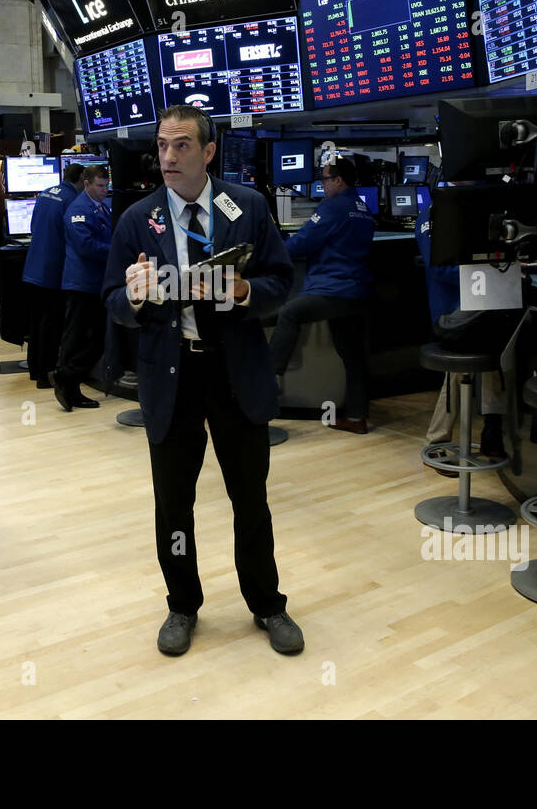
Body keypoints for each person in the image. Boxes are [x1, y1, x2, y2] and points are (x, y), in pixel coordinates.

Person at [103, 104, 301, 657]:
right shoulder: (136, 219)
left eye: (182, 145)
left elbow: (282, 281)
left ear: (209, 152)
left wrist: (245, 293)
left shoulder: (249, 207)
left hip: (235, 370)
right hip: (173, 374)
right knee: (174, 503)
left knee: (250, 497)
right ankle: (182, 605)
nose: (168, 157)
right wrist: (135, 297)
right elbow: (112, 304)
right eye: (162, 145)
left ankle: (268, 604)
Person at [268, 156, 375, 433]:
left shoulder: (332, 208)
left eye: (325, 179)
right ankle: (356, 417)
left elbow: (300, 244)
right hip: (357, 292)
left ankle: (268, 383)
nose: (322, 185)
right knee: (353, 357)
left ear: (338, 181)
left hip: (332, 289)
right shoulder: (363, 208)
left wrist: (272, 247)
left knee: (290, 313)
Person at [413, 189, 510, 472]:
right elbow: (441, 268)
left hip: (482, 310)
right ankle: (437, 441)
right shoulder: (432, 216)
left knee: (500, 356)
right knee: (459, 371)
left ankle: (492, 431)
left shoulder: (473, 209)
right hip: (452, 315)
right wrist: (494, 273)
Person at [51, 165, 111, 411]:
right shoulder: (78, 210)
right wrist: (117, 252)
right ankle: (67, 379)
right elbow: (86, 246)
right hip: (81, 284)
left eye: (107, 186)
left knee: (94, 338)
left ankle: (69, 382)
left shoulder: (101, 207)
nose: (104, 190)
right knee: (78, 338)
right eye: (100, 186)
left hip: (95, 283)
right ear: (86, 184)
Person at [22, 162, 84, 388]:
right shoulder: (73, 200)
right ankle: (46, 374)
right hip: (53, 271)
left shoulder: (45, 194)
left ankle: (34, 369)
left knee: (36, 323)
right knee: (52, 325)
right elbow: (75, 238)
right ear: (80, 181)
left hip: (33, 268)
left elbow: (33, 226)